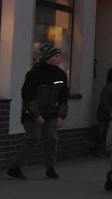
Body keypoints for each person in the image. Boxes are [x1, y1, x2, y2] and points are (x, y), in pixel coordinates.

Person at [6, 42, 69, 181]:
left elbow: (64, 97)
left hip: (51, 113)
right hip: (32, 113)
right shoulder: (34, 74)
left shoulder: (61, 75)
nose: (59, 58)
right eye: (56, 56)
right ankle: (15, 168)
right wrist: (35, 115)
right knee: (32, 138)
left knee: (52, 139)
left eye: (60, 56)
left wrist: (61, 116)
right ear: (48, 57)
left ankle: (50, 168)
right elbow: (28, 96)